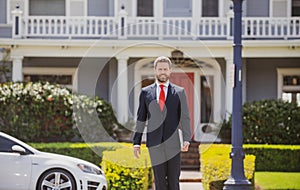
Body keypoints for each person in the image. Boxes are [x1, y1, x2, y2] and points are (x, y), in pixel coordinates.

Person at [133, 56, 191, 190]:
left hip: (173, 144)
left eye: (165, 69)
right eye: (160, 69)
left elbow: (185, 117)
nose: (163, 72)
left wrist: (187, 138)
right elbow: (141, 118)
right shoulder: (145, 92)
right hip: (155, 144)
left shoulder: (179, 92)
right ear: (155, 71)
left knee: (173, 181)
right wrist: (137, 142)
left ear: (170, 71)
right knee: (159, 182)